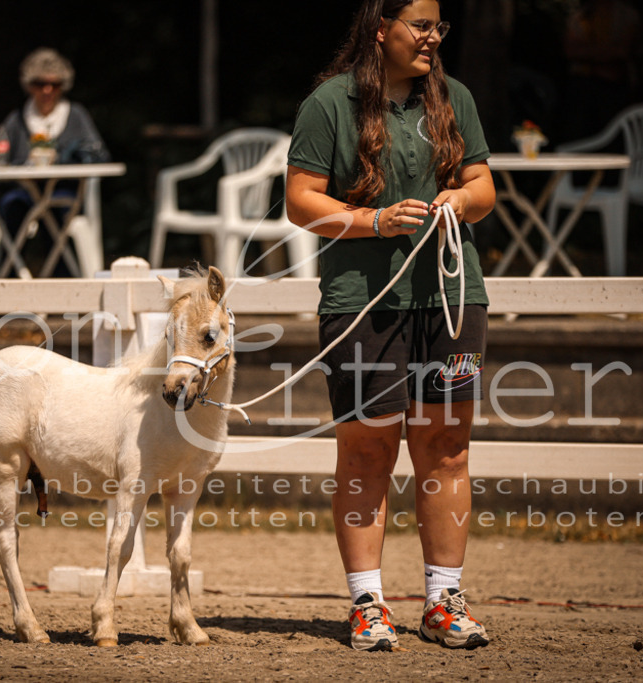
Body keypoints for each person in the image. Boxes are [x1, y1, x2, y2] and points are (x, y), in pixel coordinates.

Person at [286, 0, 496, 652]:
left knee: (446, 447)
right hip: (362, 300)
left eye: (439, 27)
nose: (434, 38)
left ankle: (442, 599)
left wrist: (460, 199)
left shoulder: (453, 97)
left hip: (452, 296)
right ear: (382, 30)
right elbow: (300, 201)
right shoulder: (328, 104)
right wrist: (372, 221)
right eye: (422, 25)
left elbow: (484, 185)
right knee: (368, 449)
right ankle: (368, 602)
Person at [0, 48, 109, 274]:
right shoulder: (18, 119)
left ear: (63, 86)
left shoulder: (75, 115)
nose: (47, 90)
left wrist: (69, 156)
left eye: (55, 84)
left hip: (64, 190)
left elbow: (99, 155)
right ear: (29, 85)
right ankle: (7, 279)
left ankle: (63, 282)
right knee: (12, 209)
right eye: (40, 84)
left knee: (58, 215)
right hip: (25, 191)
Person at [560, 0, 643, 140]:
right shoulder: (580, 16)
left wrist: (588, 52)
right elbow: (570, 51)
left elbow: (622, 52)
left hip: (614, 87)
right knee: (579, 133)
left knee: (613, 135)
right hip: (582, 86)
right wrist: (605, 52)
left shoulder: (627, 15)